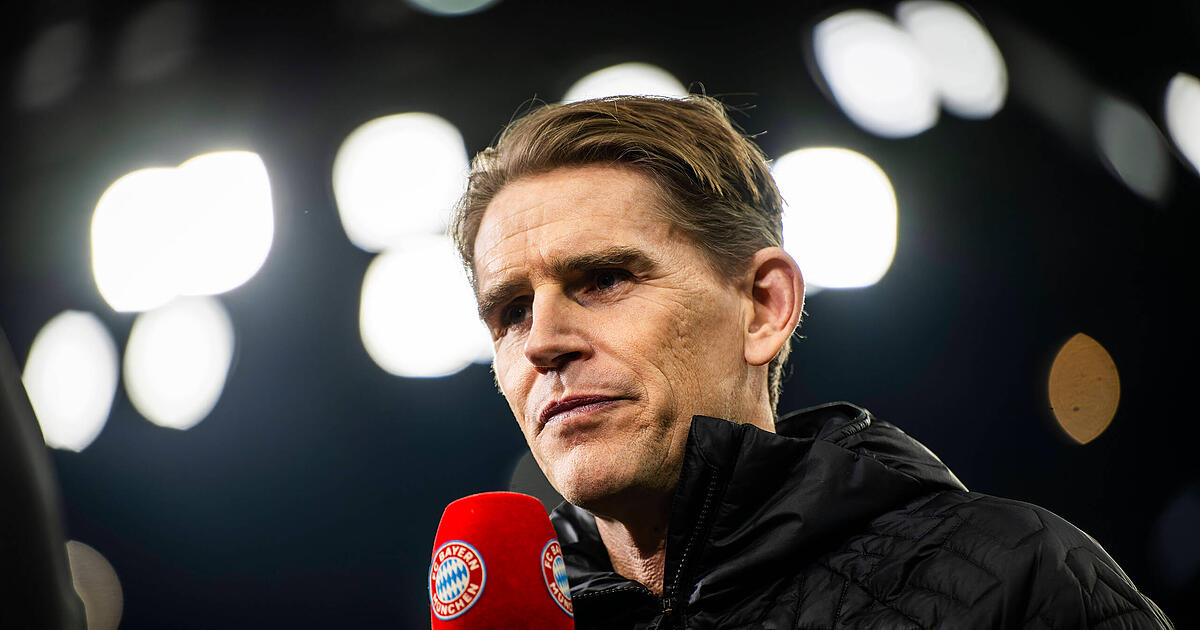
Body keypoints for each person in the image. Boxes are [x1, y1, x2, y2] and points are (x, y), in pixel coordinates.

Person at [449, 95, 1173, 629]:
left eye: (604, 279)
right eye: (510, 312)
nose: (542, 342)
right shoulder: (527, 619)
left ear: (764, 306)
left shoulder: (1018, 579)